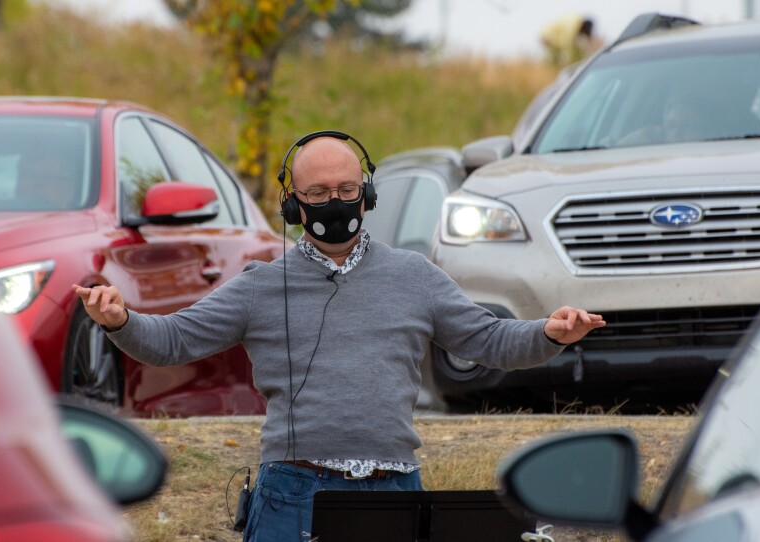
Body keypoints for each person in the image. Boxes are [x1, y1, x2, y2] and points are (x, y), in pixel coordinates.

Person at [72, 133, 605, 542]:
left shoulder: (413, 275)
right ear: (293, 204)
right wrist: (121, 320)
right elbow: (172, 341)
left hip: (395, 491)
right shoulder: (260, 286)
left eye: (347, 190)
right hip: (292, 495)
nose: (335, 201)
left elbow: (490, 341)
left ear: (367, 193)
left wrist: (550, 333)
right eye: (319, 192)